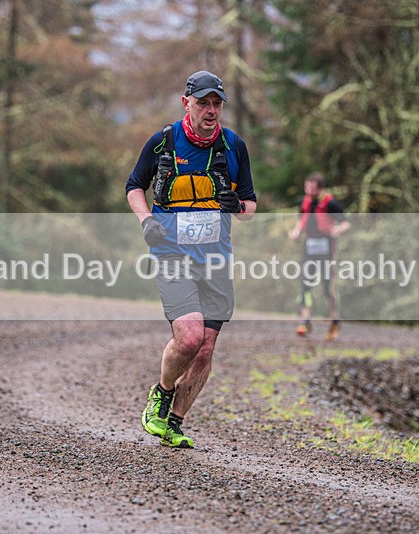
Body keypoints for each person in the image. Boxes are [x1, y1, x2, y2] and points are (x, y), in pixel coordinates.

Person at [126, 70, 257, 448]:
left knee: (206, 348)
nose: (211, 110)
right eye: (203, 103)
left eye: (217, 104)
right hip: (172, 253)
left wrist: (236, 206)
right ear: (187, 104)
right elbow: (134, 186)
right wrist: (147, 220)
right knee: (189, 338)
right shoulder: (164, 141)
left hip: (216, 260)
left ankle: (174, 422)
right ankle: (162, 393)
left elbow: (250, 206)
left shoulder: (234, 146)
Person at [288, 172, 350, 340]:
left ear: (321, 189)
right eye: (307, 187)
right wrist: (295, 232)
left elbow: (345, 223)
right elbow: (301, 221)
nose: (309, 191)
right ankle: (305, 321)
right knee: (305, 284)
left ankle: (335, 321)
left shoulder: (331, 204)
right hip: (309, 247)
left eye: (312, 188)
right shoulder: (304, 202)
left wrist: (338, 230)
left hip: (326, 249)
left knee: (327, 287)